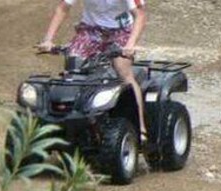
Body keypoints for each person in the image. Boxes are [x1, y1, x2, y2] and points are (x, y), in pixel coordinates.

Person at [38, 0, 148, 144]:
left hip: (122, 30)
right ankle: (73, 116)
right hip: (91, 30)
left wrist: (130, 44)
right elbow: (62, 8)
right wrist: (48, 40)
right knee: (73, 65)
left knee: (122, 69)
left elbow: (140, 15)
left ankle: (140, 127)